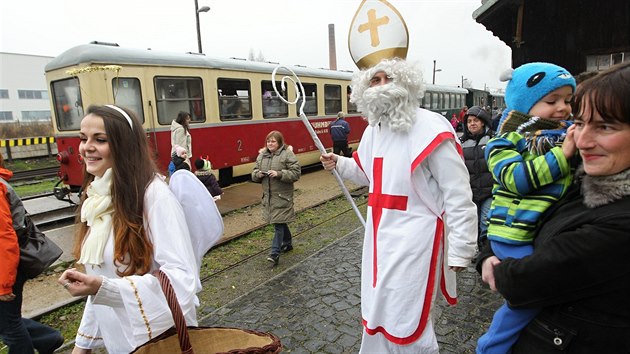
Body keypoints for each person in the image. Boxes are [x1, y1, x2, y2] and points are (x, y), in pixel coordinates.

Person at [320, 58, 477, 353]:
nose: (380, 87)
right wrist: (339, 163)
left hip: (417, 239)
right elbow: (368, 174)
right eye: (374, 80)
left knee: (407, 315)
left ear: (405, 82)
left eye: (387, 78)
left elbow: (457, 192)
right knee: (378, 309)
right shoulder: (373, 130)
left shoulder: (430, 127)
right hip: (379, 238)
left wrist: (461, 246)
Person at [478, 60, 630, 353]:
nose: (581, 140)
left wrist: (494, 266)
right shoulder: (578, 173)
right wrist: (487, 252)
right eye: (581, 123)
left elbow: (523, 283)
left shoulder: (618, 223)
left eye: (605, 126)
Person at [58, 104, 199, 353]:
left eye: (99, 139)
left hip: (160, 343)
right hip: (121, 345)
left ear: (124, 145)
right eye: (83, 138)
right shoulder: (99, 199)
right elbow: (101, 286)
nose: (86, 147)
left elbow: (182, 281)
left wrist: (103, 287)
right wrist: (81, 347)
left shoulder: (154, 196)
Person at [477, 62, 577, 354]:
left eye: (568, 100)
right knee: (529, 297)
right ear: (525, 102)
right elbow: (517, 180)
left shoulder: (562, 133)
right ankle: (491, 347)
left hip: (537, 229)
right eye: (551, 101)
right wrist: (564, 153)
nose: (563, 108)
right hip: (513, 233)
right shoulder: (503, 141)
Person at [0, 153, 64, 354]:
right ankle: (48, 339)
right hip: (8, 266)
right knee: (7, 321)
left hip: (6, 268)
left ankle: (46, 340)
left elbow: (4, 238)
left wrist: (4, 285)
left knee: (9, 327)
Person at [251, 131, 300, 266]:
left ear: (279, 142)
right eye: (268, 141)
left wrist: (279, 174)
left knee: (278, 224)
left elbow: (296, 173)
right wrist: (258, 175)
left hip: (282, 196)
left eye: (273, 141)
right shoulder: (262, 156)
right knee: (280, 221)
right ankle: (288, 243)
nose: (270, 144)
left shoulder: (287, 154)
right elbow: (253, 172)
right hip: (268, 197)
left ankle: (274, 253)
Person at [459, 105, 495, 250]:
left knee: (486, 221)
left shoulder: (492, 141)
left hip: (489, 190)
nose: (472, 124)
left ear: (483, 123)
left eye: (476, 121)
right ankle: (474, 249)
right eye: (469, 121)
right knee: (472, 221)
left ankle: (485, 250)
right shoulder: (462, 144)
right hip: (471, 191)